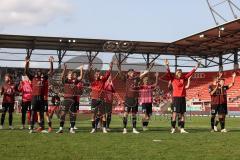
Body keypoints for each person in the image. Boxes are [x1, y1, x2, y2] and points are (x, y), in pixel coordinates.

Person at [164, 59, 200, 134]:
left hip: (183, 98)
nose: (179, 73)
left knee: (182, 114)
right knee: (174, 113)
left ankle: (182, 129)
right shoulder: (173, 78)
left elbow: (190, 73)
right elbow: (169, 72)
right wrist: (167, 65)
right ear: (176, 73)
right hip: (176, 98)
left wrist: (196, 67)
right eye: (178, 72)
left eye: (180, 72)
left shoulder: (184, 78)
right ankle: (173, 128)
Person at [120, 65, 153, 134]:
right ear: (128, 73)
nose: (133, 73)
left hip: (135, 99)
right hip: (128, 99)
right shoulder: (126, 79)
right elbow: (120, 74)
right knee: (125, 114)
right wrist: (118, 66)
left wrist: (149, 68)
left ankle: (134, 129)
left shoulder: (136, 78)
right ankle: (124, 128)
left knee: (134, 114)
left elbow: (145, 73)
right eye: (131, 72)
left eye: (133, 72)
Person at [25, 56, 54, 133]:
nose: (39, 73)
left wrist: (51, 62)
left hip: (42, 98)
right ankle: (31, 128)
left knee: (42, 113)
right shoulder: (33, 78)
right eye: (38, 72)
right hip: (34, 97)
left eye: (40, 72)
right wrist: (27, 63)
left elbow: (50, 71)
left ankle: (42, 127)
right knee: (33, 112)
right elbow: (26, 72)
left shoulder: (44, 78)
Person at [56, 64, 83, 134]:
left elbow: (80, 77)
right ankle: (60, 128)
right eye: (69, 74)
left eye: (71, 74)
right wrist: (64, 69)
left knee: (73, 115)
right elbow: (62, 77)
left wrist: (81, 70)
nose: (70, 75)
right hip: (66, 100)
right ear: (67, 75)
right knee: (63, 114)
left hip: (73, 101)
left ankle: (71, 129)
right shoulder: (66, 81)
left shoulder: (74, 81)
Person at [89, 62, 113, 133]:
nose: (98, 75)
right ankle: (93, 128)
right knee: (93, 115)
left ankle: (104, 128)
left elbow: (107, 74)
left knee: (103, 115)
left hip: (101, 100)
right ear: (94, 75)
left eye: (99, 74)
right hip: (94, 99)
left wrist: (110, 68)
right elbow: (89, 75)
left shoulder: (102, 80)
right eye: (96, 74)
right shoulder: (92, 81)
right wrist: (90, 69)